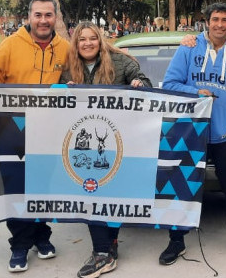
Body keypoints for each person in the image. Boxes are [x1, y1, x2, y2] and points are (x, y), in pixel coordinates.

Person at [0, 0, 69, 273]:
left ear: (55, 18)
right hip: (12, 129)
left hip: (49, 131)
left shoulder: (65, 48)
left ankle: (41, 237)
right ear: (29, 17)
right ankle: (20, 244)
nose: (43, 20)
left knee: (43, 187)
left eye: (48, 15)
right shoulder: (11, 44)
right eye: (38, 15)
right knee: (15, 186)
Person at [160, 2, 226, 264]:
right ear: (207, 21)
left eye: (225, 20)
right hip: (189, 130)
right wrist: (195, 93)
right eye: (215, 19)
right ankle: (176, 241)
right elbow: (170, 84)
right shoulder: (188, 49)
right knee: (180, 188)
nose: (219, 24)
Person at [59, 21, 152, 278]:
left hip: (120, 141)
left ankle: (108, 247)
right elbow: (56, 102)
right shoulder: (68, 69)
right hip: (86, 143)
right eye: (82, 39)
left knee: (113, 193)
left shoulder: (120, 61)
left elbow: (144, 81)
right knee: (91, 191)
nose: (87, 43)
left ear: (100, 40)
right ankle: (102, 251)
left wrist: (138, 84)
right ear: (75, 43)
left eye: (92, 38)